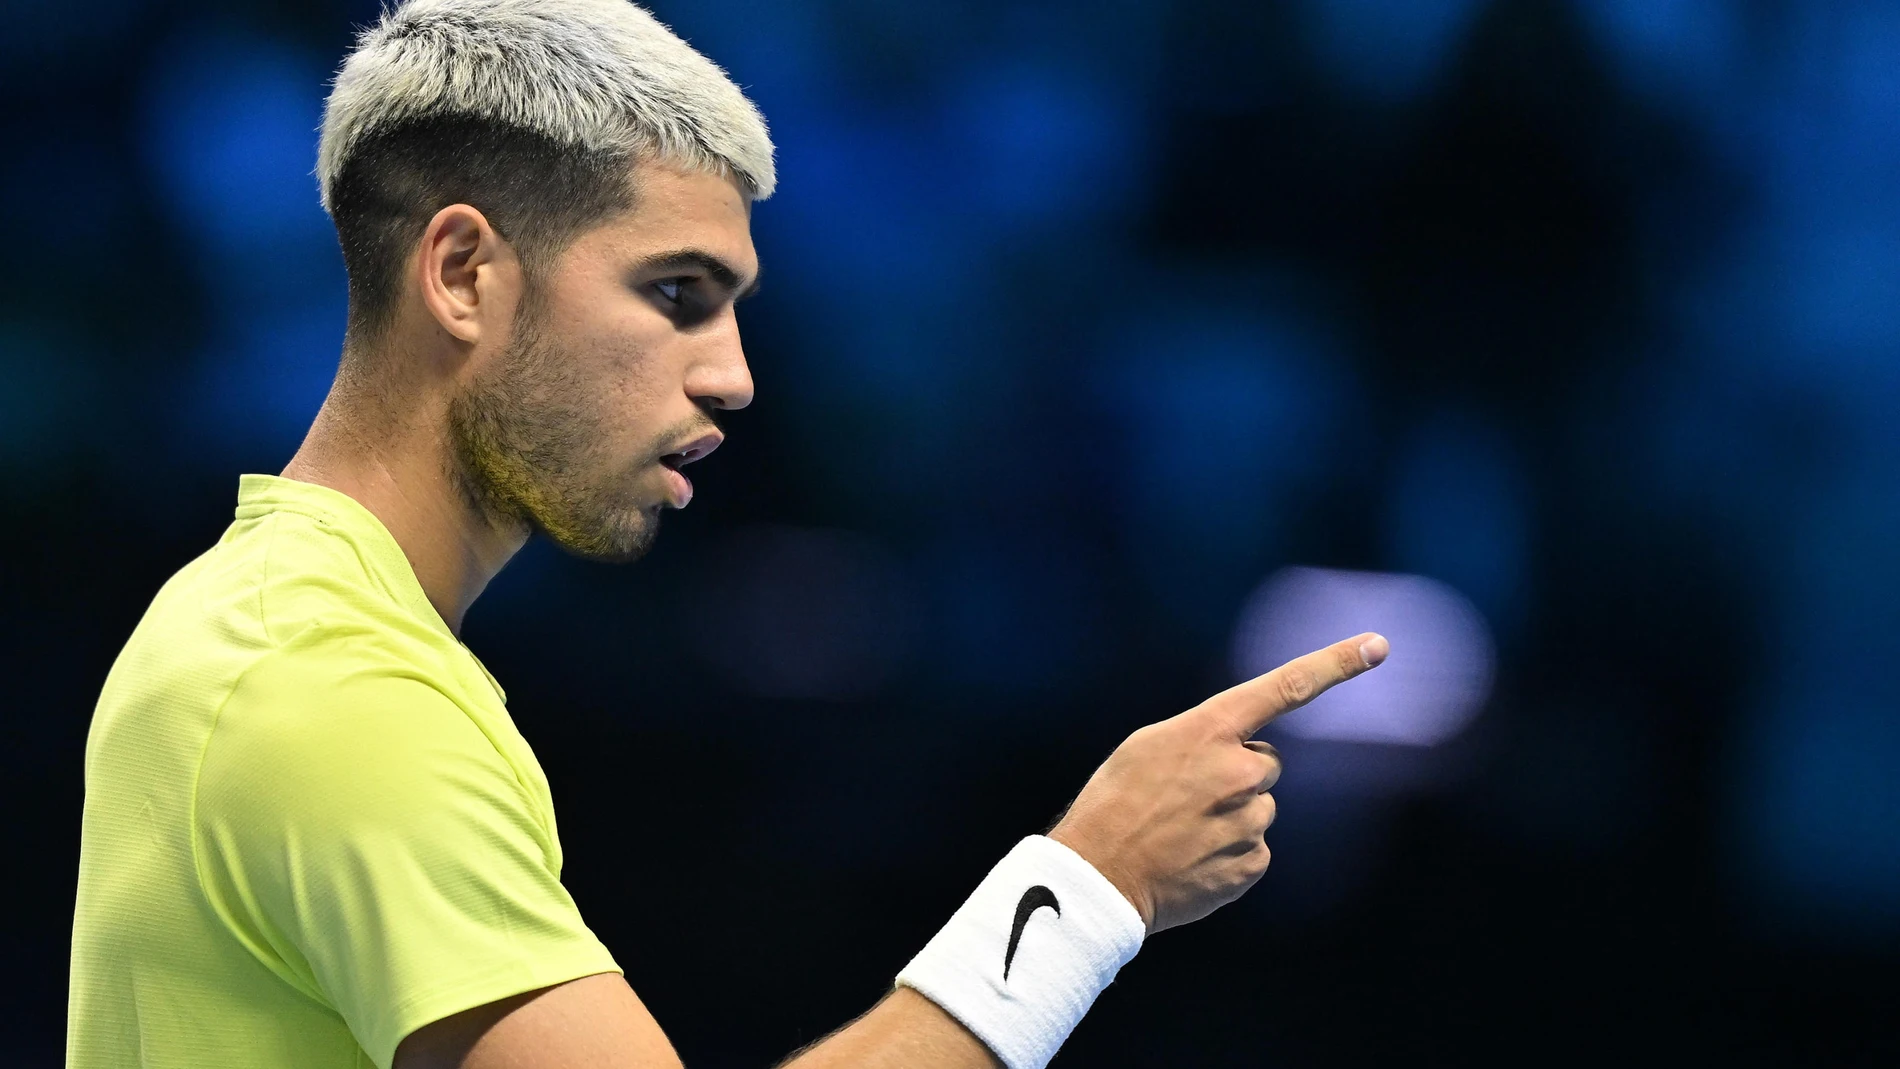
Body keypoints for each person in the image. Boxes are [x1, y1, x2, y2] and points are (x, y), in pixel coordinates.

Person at [65, 2, 1388, 1067]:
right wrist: (1089, 888)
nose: (734, 378)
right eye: (675, 294)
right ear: (464, 275)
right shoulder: (330, 692)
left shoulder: (251, 621)